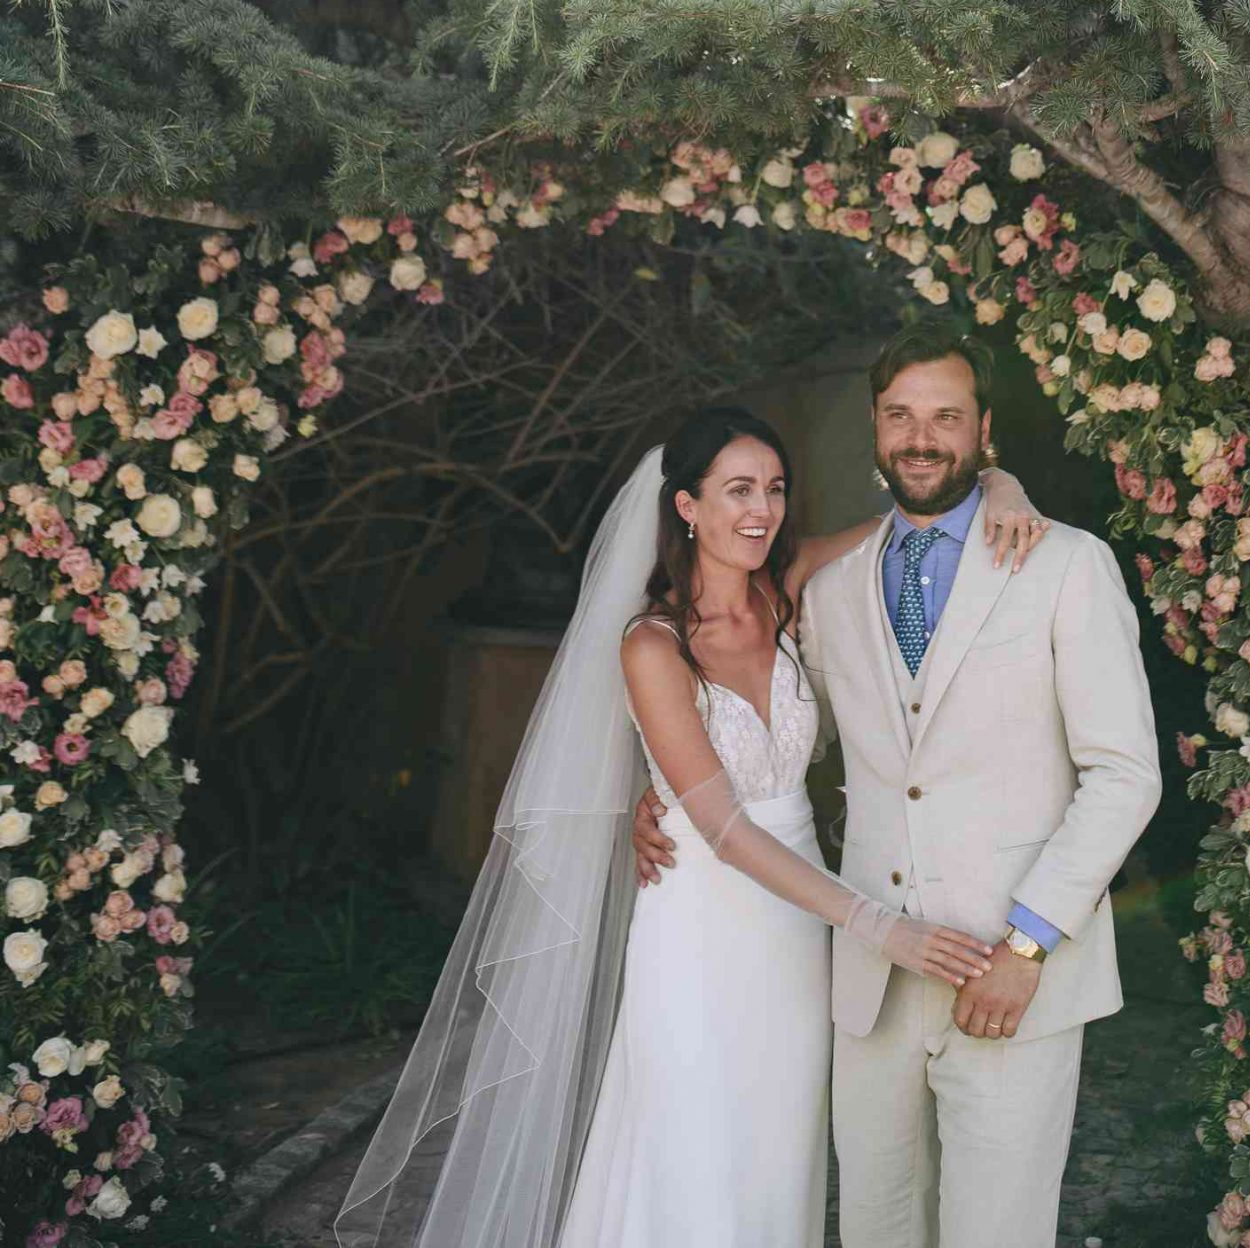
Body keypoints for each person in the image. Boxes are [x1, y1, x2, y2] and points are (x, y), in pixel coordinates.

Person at [334, 394, 1049, 1248]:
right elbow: (723, 829)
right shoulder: (653, 644)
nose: (762, 510)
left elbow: (908, 519)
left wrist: (1000, 484)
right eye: (738, 489)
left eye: (774, 488)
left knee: (776, 1152)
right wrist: (877, 926)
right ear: (687, 505)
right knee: (694, 1150)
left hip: (795, 935)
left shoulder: (784, 593)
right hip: (700, 925)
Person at [634, 321, 1162, 1248]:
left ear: (983, 430)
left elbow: (1124, 776)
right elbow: (790, 732)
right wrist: (670, 792)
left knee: (995, 1233)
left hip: (1010, 973)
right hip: (870, 980)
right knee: (876, 1228)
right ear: (875, 428)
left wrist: (1028, 944)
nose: (920, 438)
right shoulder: (828, 587)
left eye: (945, 417)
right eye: (899, 416)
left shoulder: (1065, 564)